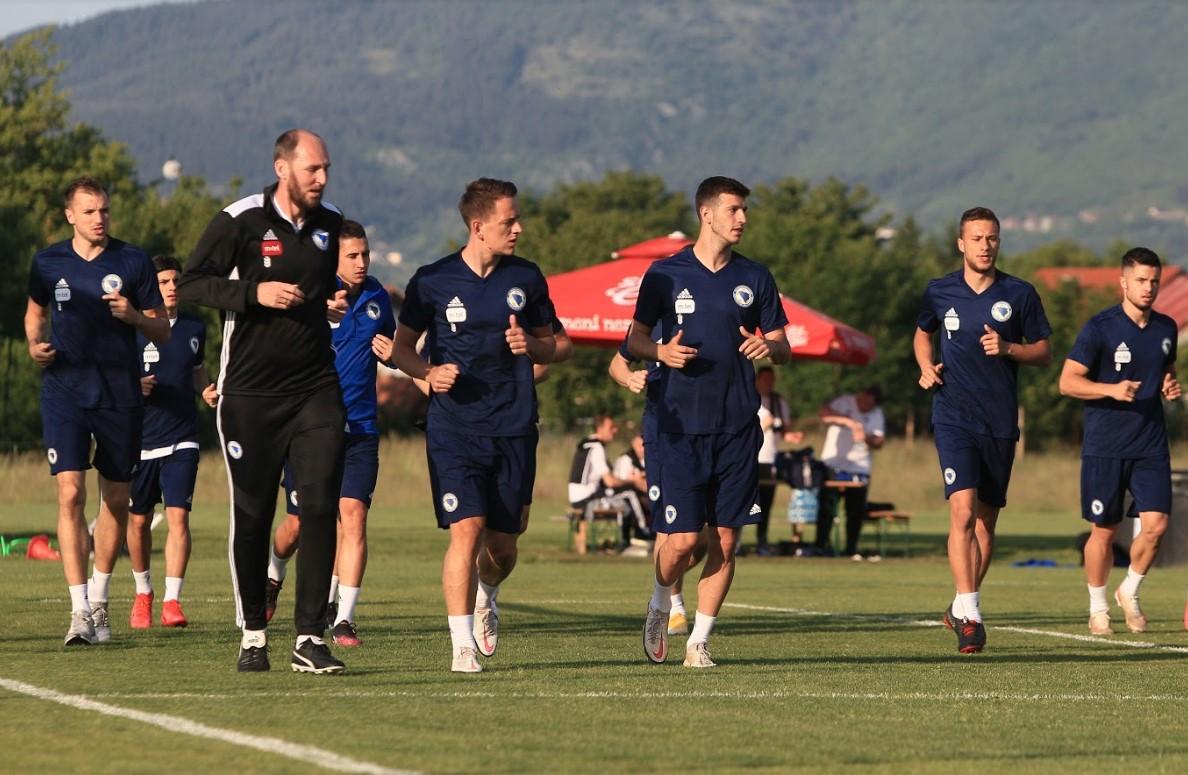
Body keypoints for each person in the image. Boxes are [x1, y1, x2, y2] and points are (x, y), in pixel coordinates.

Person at [179, 128, 349, 674]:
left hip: (315, 389)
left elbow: (321, 292)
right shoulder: (242, 220)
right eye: (312, 170)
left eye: (325, 169)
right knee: (254, 517)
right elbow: (189, 286)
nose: (322, 179)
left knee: (320, 506)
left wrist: (333, 302)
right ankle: (254, 633)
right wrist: (253, 294)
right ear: (283, 168)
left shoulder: (331, 225)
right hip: (249, 396)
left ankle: (309, 637)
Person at [391, 178, 556, 673]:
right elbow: (402, 349)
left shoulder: (526, 278)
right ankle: (461, 646)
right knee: (467, 530)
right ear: (478, 226)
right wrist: (426, 372)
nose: (519, 229)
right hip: (454, 430)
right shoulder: (432, 280)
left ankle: (487, 594)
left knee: (504, 545)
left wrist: (533, 348)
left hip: (515, 428)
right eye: (510, 221)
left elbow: (557, 346)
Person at [630, 176, 791, 668]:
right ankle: (661, 599)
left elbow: (784, 345)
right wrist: (660, 352)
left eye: (745, 210)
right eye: (734, 210)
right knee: (682, 542)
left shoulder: (756, 277)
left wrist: (771, 348)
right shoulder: (664, 275)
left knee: (725, 539)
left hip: (738, 428)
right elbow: (634, 341)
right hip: (678, 428)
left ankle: (699, 641)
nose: (742, 219)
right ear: (707, 213)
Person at [24, 176, 169, 645]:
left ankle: (102, 601)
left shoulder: (132, 260)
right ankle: (79, 611)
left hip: (119, 394)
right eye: (89, 211)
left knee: (116, 501)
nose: (99, 218)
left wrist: (134, 317)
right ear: (71, 215)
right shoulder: (48, 262)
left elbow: (163, 328)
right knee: (69, 495)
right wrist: (34, 345)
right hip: (64, 392)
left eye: (104, 210)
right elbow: (34, 312)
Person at [914, 206, 1051, 654]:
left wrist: (1010, 347)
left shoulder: (1020, 293)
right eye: (976, 238)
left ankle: (959, 603)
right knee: (962, 511)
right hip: (952, 416)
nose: (985, 245)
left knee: (987, 524)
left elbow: (1045, 352)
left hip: (999, 420)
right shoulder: (939, 291)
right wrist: (924, 366)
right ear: (961, 243)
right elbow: (921, 333)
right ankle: (971, 616)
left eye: (991, 238)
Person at [264, 220, 396, 648]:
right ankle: (273, 573)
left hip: (360, 429)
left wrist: (398, 357)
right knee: (299, 525)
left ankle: (343, 618)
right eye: (352, 256)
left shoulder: (378, 297)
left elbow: (395, 352)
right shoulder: (309, 295)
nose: (361, 263)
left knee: (353, 517)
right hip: (310, 429)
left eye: (365, 254)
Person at [1058, 247, 1180, 635]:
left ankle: (1130, 589)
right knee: (1105, 531)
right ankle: (1097, 608)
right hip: (1105, 445)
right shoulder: (1100, 328)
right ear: (1123, 282)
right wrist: (1110, 390)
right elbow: (1067, 382)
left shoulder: (1166, 328)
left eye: (1154, 281)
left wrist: (1169, 385)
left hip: (1150, 444)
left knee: (1157, 526)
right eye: (1141, 280)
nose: (1149, 288)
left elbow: (1165, 369)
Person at [126, 256, 218, 629]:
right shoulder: (133, 330)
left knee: (179, 516)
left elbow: (197, 370)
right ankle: (143, 592)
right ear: (152, 286)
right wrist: (133, 387)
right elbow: (111, 378)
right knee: (138, 523)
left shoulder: (194, 327)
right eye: (164, 280)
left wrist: (207, 390)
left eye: (176, 280)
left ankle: (172, 601)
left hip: (183, 437)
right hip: (138, 442)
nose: (171, 287)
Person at [609, 335, 707, 635]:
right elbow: (617, 363)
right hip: (665, 437)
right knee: (671, 530)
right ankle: (670, 605)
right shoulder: (652, 319)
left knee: (700, 542)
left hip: (711, 434)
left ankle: (663, 587)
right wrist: (629, 379)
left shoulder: (713, 310)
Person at [817, 386, 885, 560]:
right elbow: (824, 414)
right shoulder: (844, 402)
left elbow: (879, 442)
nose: (867, 406)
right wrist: (849, 422)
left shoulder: (876, 414)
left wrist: (866, 437)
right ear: (862, 395)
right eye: (867, 401)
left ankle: (850, 547)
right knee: (827, 508)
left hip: (859, 469)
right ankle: (821, 544)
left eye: (872, 404)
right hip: (833, 465)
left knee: (855, 511)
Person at [568, 416, 649, 549]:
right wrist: (632, 480)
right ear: (600, 429)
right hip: (586, 500)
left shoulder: (587, 443)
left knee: (625, 494)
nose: (615, 430)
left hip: (579, 497)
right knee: (629, 494)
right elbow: (610, 481)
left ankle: (628, 539)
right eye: (611, 427)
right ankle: (642, 532)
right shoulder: (597, 447)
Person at [754, 366, 799, 555]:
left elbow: (785, 431)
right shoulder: (748, 398)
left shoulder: (778, 403)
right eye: (765, 379)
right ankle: (735, 542)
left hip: (770, 458)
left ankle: (762, 541)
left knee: (766, 503)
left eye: (771, 380)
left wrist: (793, 436)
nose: (769, 383)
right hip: (750, 458)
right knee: (745, 501)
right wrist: (765, 424)